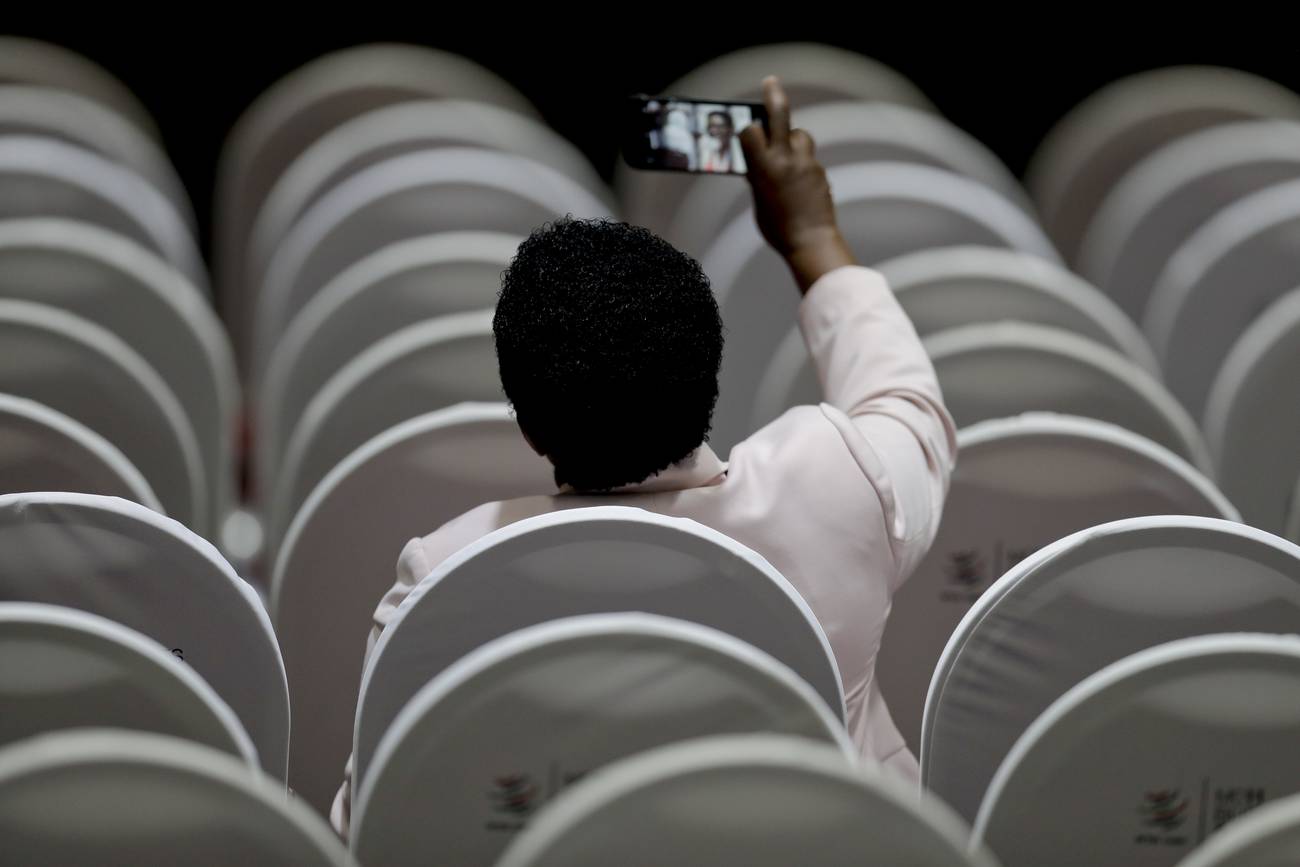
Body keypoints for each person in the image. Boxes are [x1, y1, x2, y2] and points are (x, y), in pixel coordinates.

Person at [330, 76, 955, 834]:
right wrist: (811, 238)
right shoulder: (841, 491)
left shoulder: (441, 580)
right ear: (710, 379)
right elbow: (908, 401)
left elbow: (374, 822)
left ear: (528, 425)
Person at [697, 108, 745, 173]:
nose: (714, 131)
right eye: (711, 126)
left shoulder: (738, 150)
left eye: (719, 126)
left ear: (730, 129)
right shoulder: (704, 148)